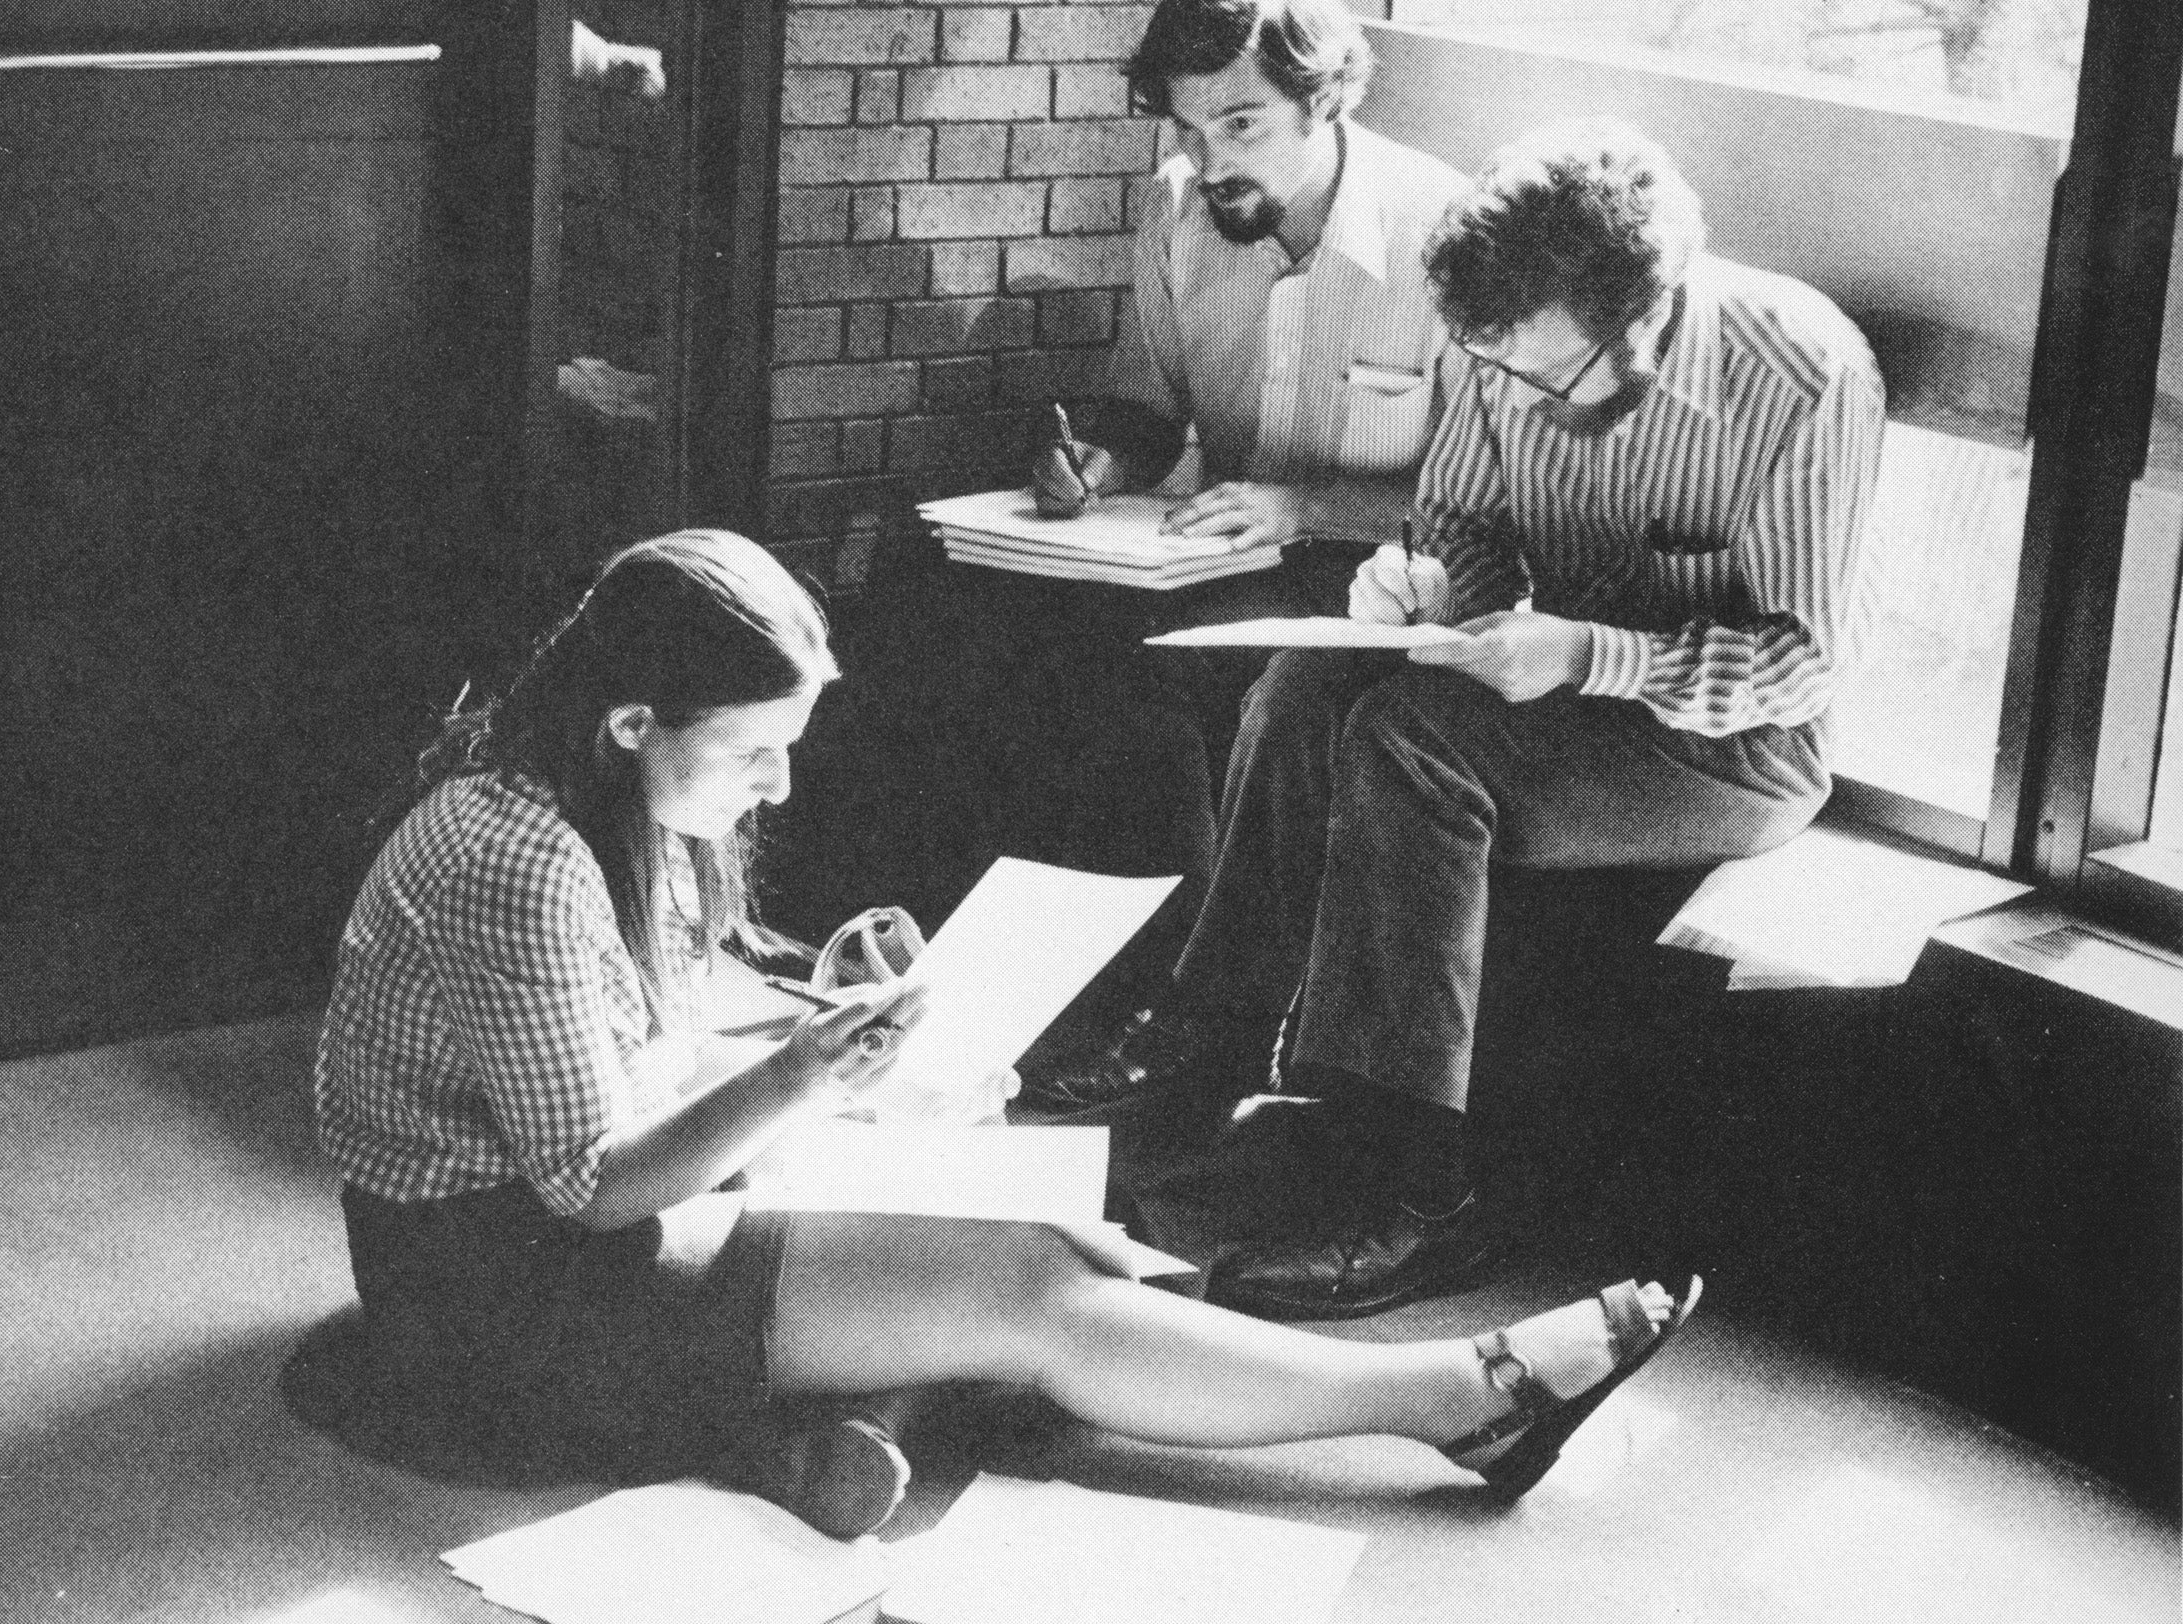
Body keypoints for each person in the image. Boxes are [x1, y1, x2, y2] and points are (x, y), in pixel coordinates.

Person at [313, 525, 1701, 1539]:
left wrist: (818, 1012)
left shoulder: (599, 802)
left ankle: (830, 1427)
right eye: (753, 751)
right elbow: (590, 1182)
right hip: (500, 1292)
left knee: (1068, 1249)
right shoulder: (519, 859)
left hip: (585, 1233)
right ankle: (1464, 1394)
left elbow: (648, 1028)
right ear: (629, 721)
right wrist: (805, 1074)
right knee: (1026, 1289)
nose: (777, 784)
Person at [1048, 119, 1884, 1323]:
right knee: (1301, 685)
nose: (1520, 397)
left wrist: (1592, 651)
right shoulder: (1505, 342)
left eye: (1550, 378)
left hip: (1727, 739)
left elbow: (1800, 662)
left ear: (1643, 315)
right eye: (1495, 371)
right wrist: (1426, 584)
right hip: (1549, 683)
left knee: (1411, 744)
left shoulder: (1804, 371)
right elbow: (1465, 530)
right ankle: (1212, 1050)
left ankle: (1417, 1195)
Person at [930, 0, 1469, 1043]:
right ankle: (1003, 1001)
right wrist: (1099, 455)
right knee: (970, 624)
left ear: (1324, 100)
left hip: (1382, 581)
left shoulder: (1441, 234)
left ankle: (1164, 1009)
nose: (1208, 157)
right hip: (1211, 557)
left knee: (1148, 685)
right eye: (1186, 128)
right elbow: (1147, 404)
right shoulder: (1178, 205)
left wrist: (1305, 502)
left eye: (1241, 124)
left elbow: (1480, 498)